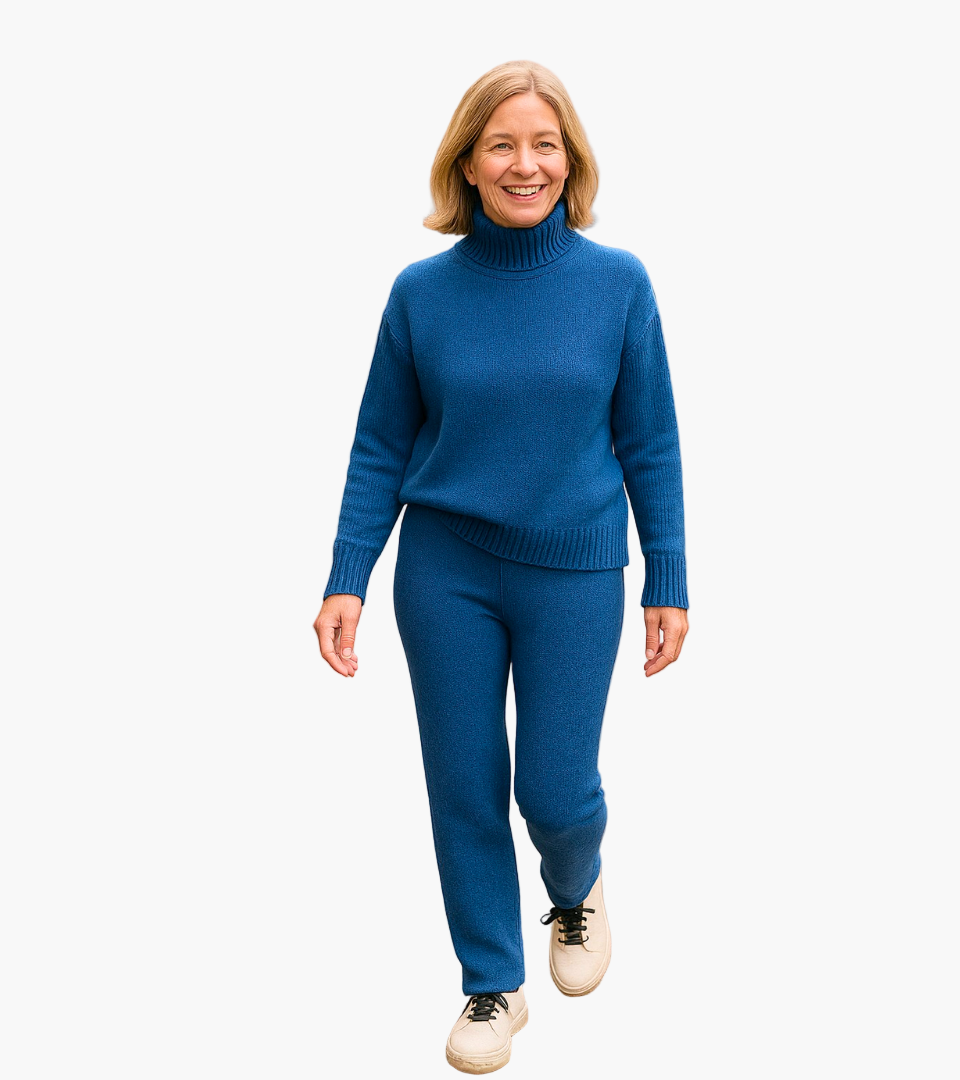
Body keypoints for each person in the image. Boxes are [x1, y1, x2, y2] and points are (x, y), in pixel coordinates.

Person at [313, 59, 690, 1074]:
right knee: (464, 783)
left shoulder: (619, 286)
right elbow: (380, 445)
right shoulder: (420, 295)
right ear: (468, 164)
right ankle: (493, 983)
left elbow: (650, 442)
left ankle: (575, 886)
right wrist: (348, 575)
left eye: (545, 144)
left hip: (574, 572)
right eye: (502, 145)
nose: (526, 164)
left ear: (571, 160)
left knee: (555, 791)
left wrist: (667, 576)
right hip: (445, 571)